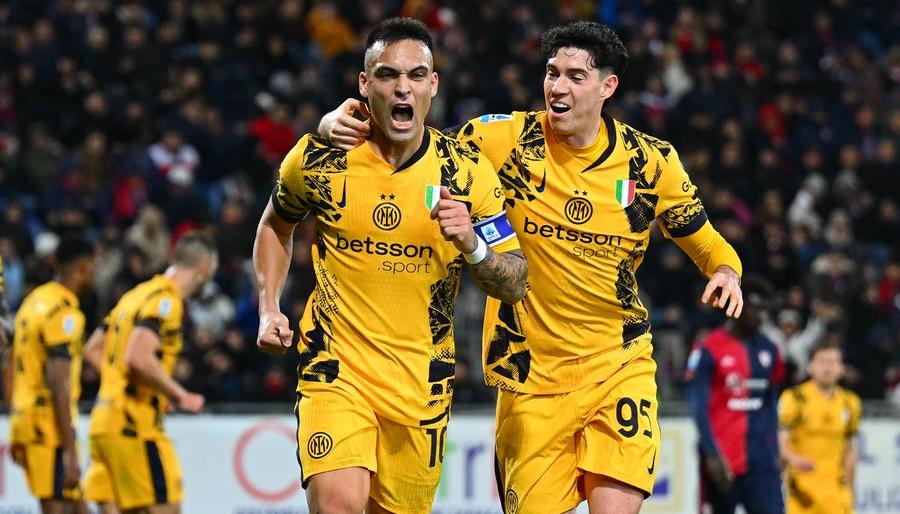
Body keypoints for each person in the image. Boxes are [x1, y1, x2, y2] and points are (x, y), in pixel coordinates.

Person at [319, 20, 743, 514]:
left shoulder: (650, 164)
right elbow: (410, 142)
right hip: (530, 381)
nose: (557, 87)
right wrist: (336, 125)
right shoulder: (503, 140)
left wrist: (726, 272)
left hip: (618, 364)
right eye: (551, 72)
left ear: (608, 86)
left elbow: (710, 244)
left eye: (574, 76)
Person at [253, 17, 527, 514]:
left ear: (433, 85)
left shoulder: (466, 173)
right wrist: (269, 308)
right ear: (364, 84)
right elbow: (276, 224)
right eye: (387, 74)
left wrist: (472, 244)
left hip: (420, 386)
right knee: (338, 503)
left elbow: (514, 280)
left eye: (416, 75)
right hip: (336, 371)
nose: (403, 87)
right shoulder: (322, 159)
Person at [84, 232, 215, 514]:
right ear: (204, 267)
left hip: (104, 421)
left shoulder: (135, 295)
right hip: (135, 426)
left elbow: (93, 349)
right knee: (167, 507)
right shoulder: (167, 301)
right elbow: (139, 357)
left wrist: (123, 385)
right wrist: (180, 395)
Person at [7, 236, 96, 514]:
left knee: (77, 506)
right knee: (59, 508)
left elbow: (8, 362)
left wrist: (16, 415)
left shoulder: (33, 301)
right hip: (49, 428)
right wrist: (70, 451)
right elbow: (59, 381)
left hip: (27, 420)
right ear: (83, 267)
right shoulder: (64, 312)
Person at [686, 277, 785, 514]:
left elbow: (770, 403)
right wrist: (710, 453)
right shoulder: (708, 349)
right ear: (736, 305)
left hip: (761, 463)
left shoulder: (770, 350)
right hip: (722, 462)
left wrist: (776, 450)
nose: (760, 315)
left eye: (764, 309)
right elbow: (698, 407)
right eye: (754, 307)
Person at [778, 343, 861, 514]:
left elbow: (850, 450)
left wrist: (850, 490)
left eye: (832, 362)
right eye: (822, 362)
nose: (827, 368)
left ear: (841, 368)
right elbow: (781, 444)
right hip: (802, 493)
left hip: (836, 493)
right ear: (811, 367)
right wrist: (794, 459)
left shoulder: (850, 403)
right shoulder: (795, 398)